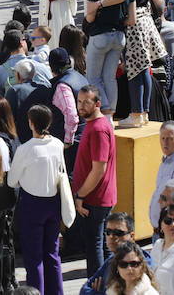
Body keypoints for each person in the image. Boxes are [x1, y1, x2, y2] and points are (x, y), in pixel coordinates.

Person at [8, 103, 67, 295]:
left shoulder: (25, 149)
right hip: (53, 203)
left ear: (31, 123)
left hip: (32, 204)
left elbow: (12, 181)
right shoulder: (57, 144)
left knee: (34, 258)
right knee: (52, 254)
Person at [72, 85, 117, 276]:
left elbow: (99, 169)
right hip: (97, 198)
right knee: (103, 246)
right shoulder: (94, 124)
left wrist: (80, 195)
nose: (81, 106)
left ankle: (97, 287)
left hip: (95, 200)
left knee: (95, 246)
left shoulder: (98, 129)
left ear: (97, 104)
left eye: (86, 102)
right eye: (79, 102)